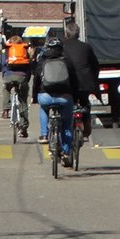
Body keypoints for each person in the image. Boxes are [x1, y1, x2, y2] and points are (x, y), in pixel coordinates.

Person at [33, 36, 79, 166]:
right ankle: (65, 152)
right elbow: (74, 81)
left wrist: (34, 96)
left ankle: (44, 134)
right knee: (66, 125)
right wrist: (75, 97)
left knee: (43, 108)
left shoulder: (42, 61)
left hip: (45, 96)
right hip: (65, 97)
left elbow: (36, 79)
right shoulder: (67, 61)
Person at [62, 18, 101, 140]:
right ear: (78, 34)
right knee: (84, 103)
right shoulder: (86, 47)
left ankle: (66, 128)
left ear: (66, 34)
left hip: (67, 83)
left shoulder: (62, 47)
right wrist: (93, 80)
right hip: (85, 82)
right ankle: (87, 125)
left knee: (67, 104)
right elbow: (95, 65)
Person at [1, 31, 34, 137]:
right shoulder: (24, 50)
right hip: (22, 77)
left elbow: (2, 64)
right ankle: (23, 127)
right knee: (23, 101)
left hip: (8, 76)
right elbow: (28, 67)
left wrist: (5, 76)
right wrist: (26, 80)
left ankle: (6, 109)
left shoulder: (7, 50)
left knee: (6, 88)